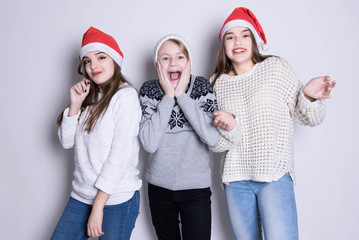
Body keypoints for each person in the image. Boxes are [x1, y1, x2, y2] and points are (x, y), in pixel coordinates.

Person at [209, 7, 336, 240]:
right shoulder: (215, 84)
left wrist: (308, 96)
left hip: (274, 176)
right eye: (230, 36)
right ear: (223, 45)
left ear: (255, 40)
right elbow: (214, 144)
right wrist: (229, 127)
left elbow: (310, 117)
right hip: (235, 181)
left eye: (245, 35)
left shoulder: (275, 68)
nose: (238, 41)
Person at [51, 27, 142, 240]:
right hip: (81, 195)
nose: (94, 66)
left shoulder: (126, 97)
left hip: (116, 198)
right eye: (87, 60)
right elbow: (66, 142)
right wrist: (75, 104)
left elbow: (119, 156)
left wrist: (98, 206)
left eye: (101, 57)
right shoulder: (89, 98)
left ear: (115, 60)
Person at [139, 34, 225, 240]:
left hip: (196, 190)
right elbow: (149, 143)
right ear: (157, 64)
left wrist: (183, 97)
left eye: (179, 57)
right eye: (166, 58)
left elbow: (212, 138)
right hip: (159, 189)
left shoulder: (203, 86)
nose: (173, 63)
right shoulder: (148, 90)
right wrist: (168, 97)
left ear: (188, 62)